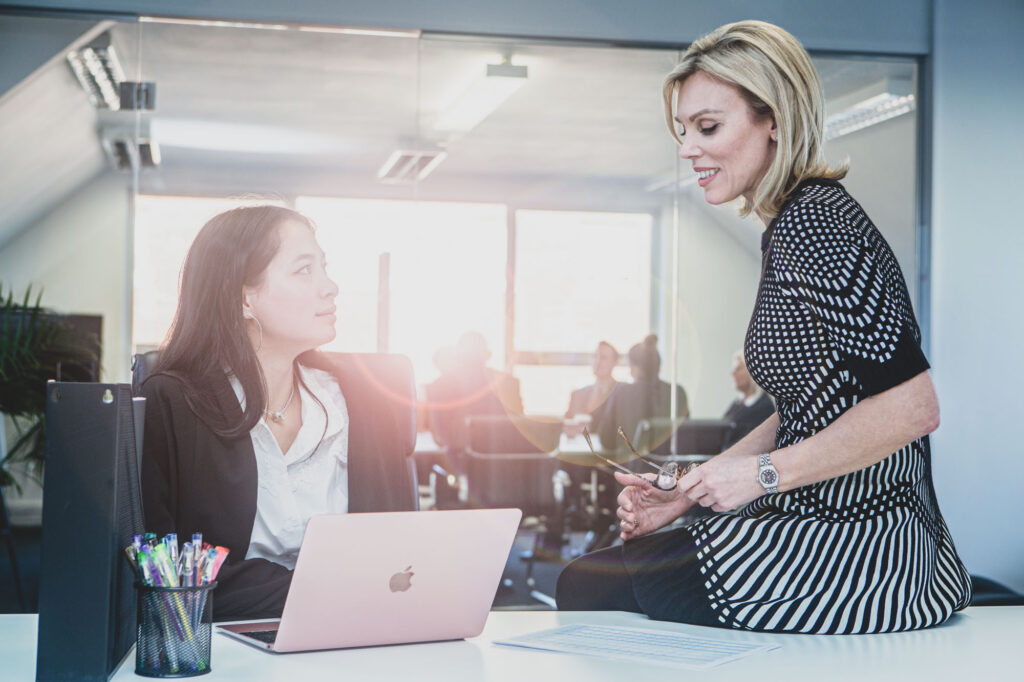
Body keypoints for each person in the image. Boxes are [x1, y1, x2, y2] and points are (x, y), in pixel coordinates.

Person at [556, 20, 971, 633]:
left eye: (708, 127)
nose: (687, 148)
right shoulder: (794, 224)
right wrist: (691, 490)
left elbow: (914, 407)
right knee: (596, 584)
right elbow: (813, 404)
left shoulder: (816, 223)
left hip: (860, 550)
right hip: (831, 530)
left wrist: (757, 476)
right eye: (682, 130)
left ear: (772, 119)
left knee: (587, 587)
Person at [140, 206, 416, 621]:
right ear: (244, 298)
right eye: (305, 270)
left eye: (324, 268)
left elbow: (402, 554)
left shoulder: (364, 401)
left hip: (358, 637)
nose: (332, 287)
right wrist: (332, 589)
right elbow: (170, 575)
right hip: (224, 647)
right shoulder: (174, 404)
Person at [425, 331, 524, 460]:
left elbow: (439, 437)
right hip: (496, 463)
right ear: (488, 355)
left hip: (486, 461)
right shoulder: (508, 383)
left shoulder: (440, 386)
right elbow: (520, 430)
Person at [591, 334, 688, 452]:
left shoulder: (622, 392)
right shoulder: (678, 392)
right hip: (670, 468)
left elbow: (607, 441)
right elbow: (685, 438)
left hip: (632, 468)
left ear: (634, 367)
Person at [721, 350, 774, 448]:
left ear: (752, 371)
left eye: (738, 368)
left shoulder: (763, 407)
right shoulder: (737, 403)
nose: (733, 373)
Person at [564, 340, 619, 425]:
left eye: (603, 357)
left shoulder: (622, 394)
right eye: (594, 356)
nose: (597, 361)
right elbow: (565, 426)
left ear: (614, 363)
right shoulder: (577, 395)